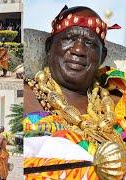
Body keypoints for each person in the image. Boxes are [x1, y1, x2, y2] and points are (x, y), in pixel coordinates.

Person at [23, 6, 125, 179]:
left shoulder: (118, 105)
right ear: (49, 46)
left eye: (90, 43)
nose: (78, 50)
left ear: (102, 56)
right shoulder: (26, 97)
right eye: (69, 38)